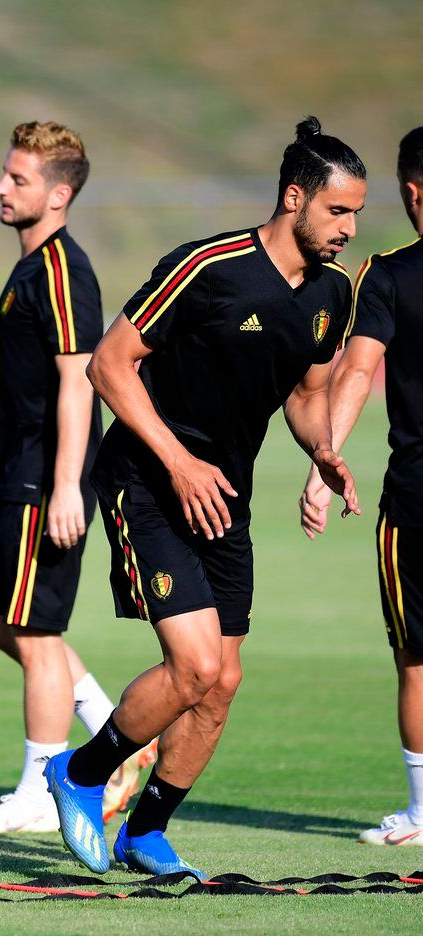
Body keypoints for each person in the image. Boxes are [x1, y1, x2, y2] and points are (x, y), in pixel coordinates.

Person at [44, 117, 364, 877]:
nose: (350, 228)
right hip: (149, 480)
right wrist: (180, 462)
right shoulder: (207, 267)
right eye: (338, 211)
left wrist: (322, 450)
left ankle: (146, 833)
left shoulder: (332, 292)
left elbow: (307, 391)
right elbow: (108, 365)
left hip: (225, 494)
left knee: (221, 683)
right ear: (294, 198)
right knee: (192, 665)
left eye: (356, 213)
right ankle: (79, 773)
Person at [0, 122, 153, 835]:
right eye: (5, 172)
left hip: (45, 483)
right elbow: (28, 386)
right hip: (17, 474)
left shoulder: (62, 270)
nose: (0, 186)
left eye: (17, 179)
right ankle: (117, 734)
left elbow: (79, 382)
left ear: (58, 195)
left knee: (37, 633)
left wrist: (66, 486)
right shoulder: (30, 267)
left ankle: (41, 792)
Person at [300, 126, 423, 848]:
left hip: (417, 501)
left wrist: (326, 460)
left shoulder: (389, 274)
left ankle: (422, 814)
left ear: (411, 192)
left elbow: (356, 369)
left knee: (418, 659)